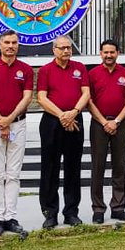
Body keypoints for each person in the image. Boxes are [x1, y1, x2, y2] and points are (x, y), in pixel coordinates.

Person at [0, 30, 33, 237]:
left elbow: (27, 97)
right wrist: (1, 122)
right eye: (7, 42)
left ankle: (10, 216)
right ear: (0, 45)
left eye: (14, 43)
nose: (11, 46)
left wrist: (10, 119)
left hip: (18, 125)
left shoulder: (26, 69)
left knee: (13, 174)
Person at [35, 35, 90, 228]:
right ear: (54, 50)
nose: (66, 51)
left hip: (75, 120)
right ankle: (50, 213)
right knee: (50, 168)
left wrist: (73, 112)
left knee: (73, 168)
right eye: (62, 48)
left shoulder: (80, 68)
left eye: (68, 48)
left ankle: (71, 212)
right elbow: (41, 98)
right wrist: (62, 116)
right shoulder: (45, 70)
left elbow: (86, 93)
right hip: (52, 121)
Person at [89, 39, 125, 224]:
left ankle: (118, 207)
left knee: (119, 166)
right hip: (99, 124)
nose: (109, 55)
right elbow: (88, 101)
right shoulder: (92, 74)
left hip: (120, 123)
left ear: (117, 53)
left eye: (112, 52)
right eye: (105, 52)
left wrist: (115, 121)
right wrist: (103, 121)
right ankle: (98, 209)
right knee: (98, 167)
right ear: (101, 54)